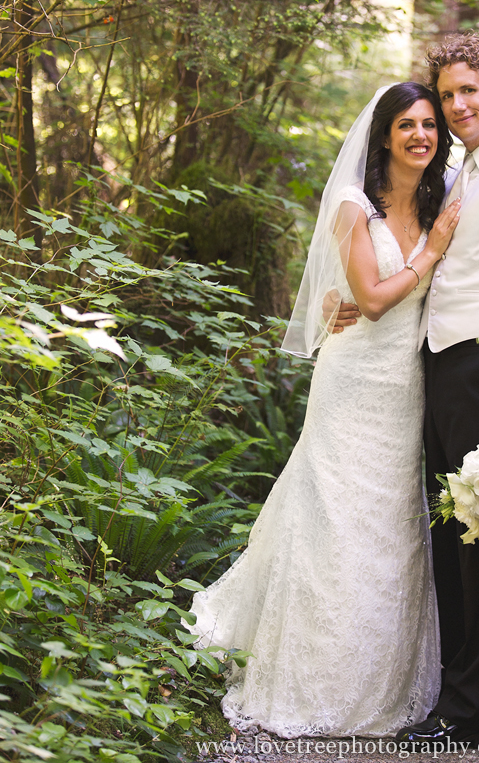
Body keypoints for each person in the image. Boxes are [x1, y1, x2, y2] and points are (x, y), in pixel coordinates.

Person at [184, 81, 461, 738]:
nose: (419, 135)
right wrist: (431, 250)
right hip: (351, 382)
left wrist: (432, 244)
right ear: (384, 135)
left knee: (386, 523)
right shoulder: (350, 204)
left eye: (428, 125)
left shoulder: (436, 198)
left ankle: (379, 676)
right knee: (333, 515)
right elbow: (367, 298)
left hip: (403, 387)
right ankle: (307, 670)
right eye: (406, 126)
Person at [335, 34, 479, 750]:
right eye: (447, 94)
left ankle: (470, 715)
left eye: (471, 90)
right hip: (441, 371)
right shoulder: (462, 171)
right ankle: (451, 698)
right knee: (450, 540)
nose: (457, 105)